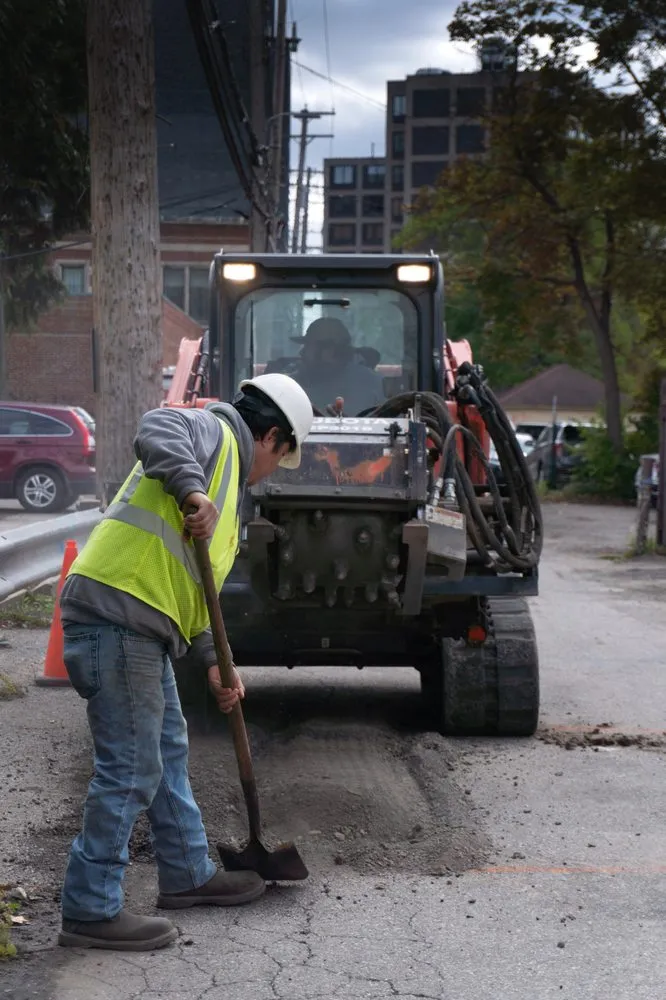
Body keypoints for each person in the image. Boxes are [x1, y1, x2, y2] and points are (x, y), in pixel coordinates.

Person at [57, 374, 314, 952]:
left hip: (145, 624)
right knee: (130, 767)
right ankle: (90, 909)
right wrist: (192, 490)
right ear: (272, 437)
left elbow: (197, 594)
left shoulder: (229, 495)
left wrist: (216, 661)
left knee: (167, 752)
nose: (273, 469)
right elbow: (158, 424)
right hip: (117, 611)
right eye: (281, 456)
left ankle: (188, 873)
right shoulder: (213, 431)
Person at [291, 318, 385, 415]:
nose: (301, 352)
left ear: (330, 350)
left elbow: (389, 419)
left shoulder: (375, 385)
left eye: (308, 346)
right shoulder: (291, 384)